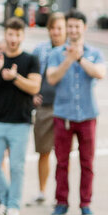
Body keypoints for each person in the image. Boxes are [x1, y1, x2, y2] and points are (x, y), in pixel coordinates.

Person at [0, 18, 41, 215]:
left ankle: (13, 207)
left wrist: (15, 78)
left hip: (20, 122)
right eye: (10, 34)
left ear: (22, 36)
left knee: (17, 167)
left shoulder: (31, 60)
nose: (13, 39)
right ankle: (6, 201)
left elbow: (34, 87)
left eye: (17, 34)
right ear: (5, 35)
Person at [46, 9, 106, 215]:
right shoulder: (56, 53)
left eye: (76, 26)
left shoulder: (94, 52)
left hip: (87, 114)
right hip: (63, 114)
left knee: (87, 162)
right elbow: (52, 78)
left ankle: (85, 203)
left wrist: (79, 59)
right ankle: (61, 202)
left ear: (83, 28)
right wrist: (69, 60)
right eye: (69, 26)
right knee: (62, 162)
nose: (72, 30)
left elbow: (100, 73)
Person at [31, 12, 67, 204]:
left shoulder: (71, 51)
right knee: (43, 151)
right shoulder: (40, 50)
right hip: (44, 106)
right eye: (53, 28)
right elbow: (31, 74)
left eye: (59, 28)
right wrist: (33, 95)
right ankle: (42, 190)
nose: (56, 32)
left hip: (64, 107)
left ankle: (60, 194)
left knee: (63, 153)